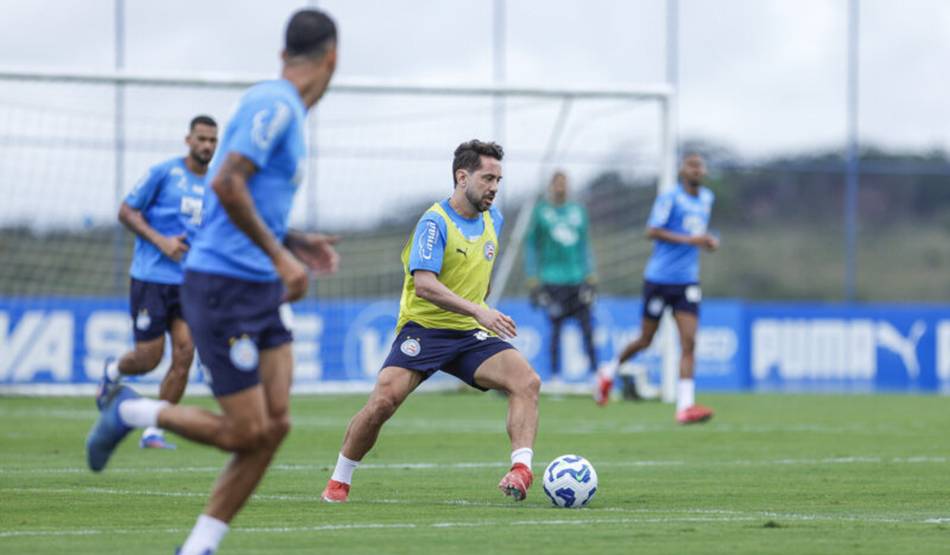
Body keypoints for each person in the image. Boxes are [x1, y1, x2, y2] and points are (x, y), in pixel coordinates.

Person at [86, 9, 340, 554]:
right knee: (247, 431)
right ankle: (132, 410)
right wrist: (283, 259)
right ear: (331, 58)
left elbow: (238, 197)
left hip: (257, 285)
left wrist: (293, 242)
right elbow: (226, 183)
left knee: (275, 427)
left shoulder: (284, 108)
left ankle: (199, 546)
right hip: (224, 284)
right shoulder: (276, 104)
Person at [320, 140, 542, 504]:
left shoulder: (494, 219)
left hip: (469, 334)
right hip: (425, 330)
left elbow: (479, 274)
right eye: (487, 178)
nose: (495, 188)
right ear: (461, 176)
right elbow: (425, 285)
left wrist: (477, 309)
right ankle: (339, 481)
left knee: (527, 382)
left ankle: (521, 470)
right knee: (383, 403)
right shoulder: (434, 222)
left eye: (499, 180)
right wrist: (478, 309)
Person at [97, 115, 218, 450]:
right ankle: (114, 370)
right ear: (188, 140)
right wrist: (162, 241)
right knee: (149, 357)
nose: (207, 145)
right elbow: (126, 211)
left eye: (212, 140)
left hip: (189, 283)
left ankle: (155, 429)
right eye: (201, 139)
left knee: (185, 352)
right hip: (151, 279)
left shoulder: (217, 184)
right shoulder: (164, 173)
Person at [595, 153, 718, 424]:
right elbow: (652, 230)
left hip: (687, 281)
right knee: (646, 339)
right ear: (682, 170)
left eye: (700, 165)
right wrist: (691, 240)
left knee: (689, 342)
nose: (697, 170)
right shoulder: (670, 197)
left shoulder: (707, 198)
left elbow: (696, 232)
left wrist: (707, 241)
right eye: (692, 165)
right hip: (660, 279)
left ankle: (684, 406)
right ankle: (608, 371)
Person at [524, 170, 598, 386]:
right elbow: (531, 245)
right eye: (557, 184)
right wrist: (533, 278)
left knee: (587, 328)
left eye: (564, 183)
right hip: (552, 279)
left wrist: (591, 275)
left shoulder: (578, 211)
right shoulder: (541, 212)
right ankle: (556, 376)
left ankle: (595, 375)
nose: (561, 187)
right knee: (555, 328)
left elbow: (585, 244)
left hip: (578, 279)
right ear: (551, 186)